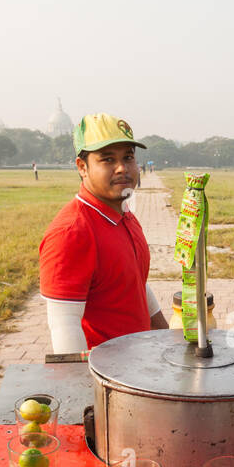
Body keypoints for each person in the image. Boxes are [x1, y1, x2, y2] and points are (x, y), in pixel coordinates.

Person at [40, 113, 168, 353]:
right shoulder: (71, 233)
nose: (122, 168)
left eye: (128, 157)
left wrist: (166, 338)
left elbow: (135, 282)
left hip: (140, 367)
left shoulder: (124, 214)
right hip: (108, 379)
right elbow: (64, 327)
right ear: (82, 167)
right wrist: (81, 389)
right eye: (108, 159)